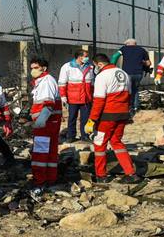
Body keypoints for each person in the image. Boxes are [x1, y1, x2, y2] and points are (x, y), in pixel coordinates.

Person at [86, 53, 139, 183]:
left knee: (99, 144)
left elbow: (99, 100)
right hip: (122, 114)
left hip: (107, 115)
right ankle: (131, 173)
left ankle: (101, 175)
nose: (94, 69)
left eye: (95, 66)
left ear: (99, 64)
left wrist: (91, 120)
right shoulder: (123, 73)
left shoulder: (102, 76)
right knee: (116, 142)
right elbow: (130, 95)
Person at [24, 57, 63, 199]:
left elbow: (48, 105)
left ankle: (39, 180)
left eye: (35, 67)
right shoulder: (44, 81)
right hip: (50, 122)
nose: (32, 70)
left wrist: (39, 122)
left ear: (43, 68)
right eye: (31, 68)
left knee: (40, 153)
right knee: (50, 152)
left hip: (46, 123)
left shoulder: (46, 81)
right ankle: (50, 178)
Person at [59, 50, 94, 141]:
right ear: (79, 57)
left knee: (86, 119)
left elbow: (92, 83)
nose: (87, 58)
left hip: (86, 98)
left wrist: (92, 96)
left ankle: (85, 136)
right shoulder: (67, 67)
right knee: (72, 118)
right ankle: (71, 136)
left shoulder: (90, 67)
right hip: (73, 98)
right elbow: (62, 83)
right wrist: (63, 96)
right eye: (86, 56)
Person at [112, 39, 151, 115]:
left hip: (127, 73)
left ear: (127, 44)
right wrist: (142, 62)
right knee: (135, 89)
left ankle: (128, 107)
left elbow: (114, 56)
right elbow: (148, 63)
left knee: (127, 90)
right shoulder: (142, 50)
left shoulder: (123, 48)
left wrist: (112, 67)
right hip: (138, 73)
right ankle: (136, 107)